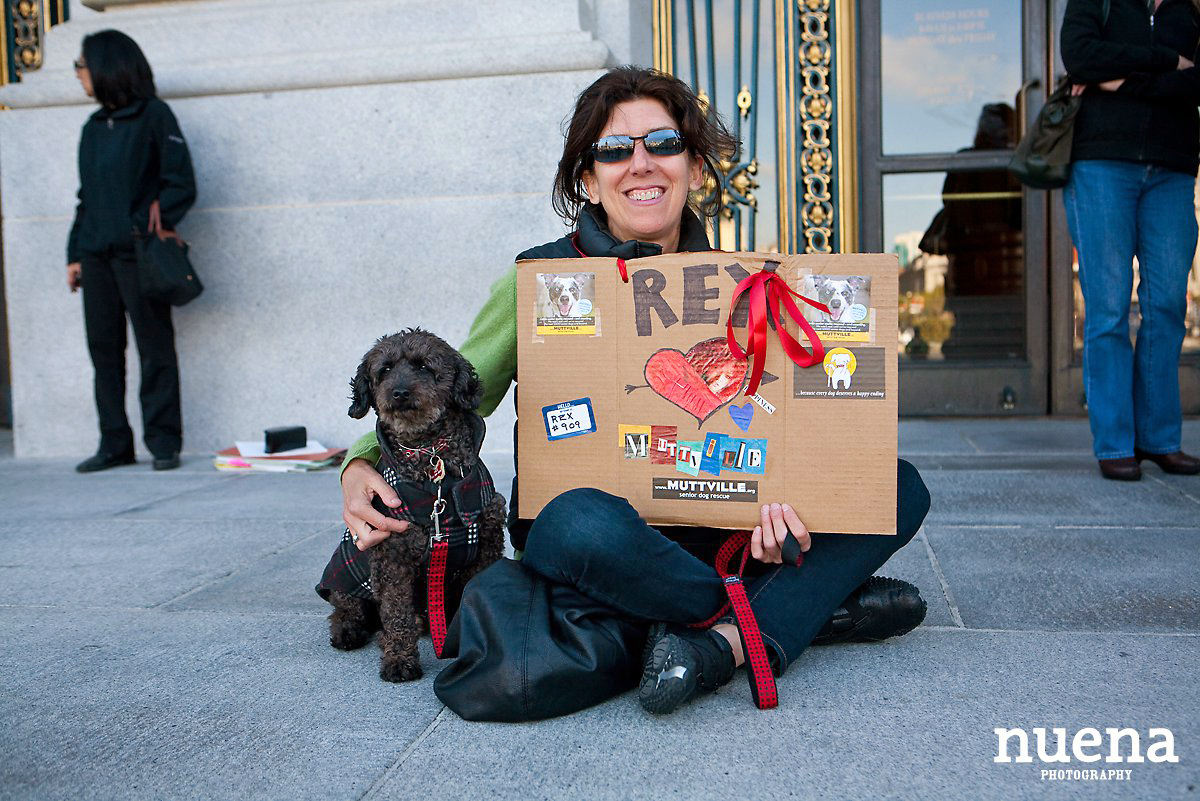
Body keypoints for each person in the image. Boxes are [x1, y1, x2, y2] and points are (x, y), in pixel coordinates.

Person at [340, 67, 931, 715]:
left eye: (664, 143)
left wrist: (790, 493)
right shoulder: (539, 277)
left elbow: (791, 421)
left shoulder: (754, 283)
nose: (641, 163)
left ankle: (720, 640)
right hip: (606, 538)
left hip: (720, 524)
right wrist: (359, 461)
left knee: (894, 485)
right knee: (573, 519)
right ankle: (804, 608)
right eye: (615, 150)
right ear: (587, 180)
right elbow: (454, 393)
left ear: (697, 168)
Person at [1061, 0, 1200, 480]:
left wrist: (1120, 79)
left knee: (1165, 305)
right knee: (1109, 309)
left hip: (1173, 169)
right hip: (1102, 164)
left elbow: (1197, 80)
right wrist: (1166, 61)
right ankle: (1115, 442)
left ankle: (1160, 439)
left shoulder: (1191, 9)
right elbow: (1079, 57)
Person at [68, 29, 196, 473]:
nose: (79, 75)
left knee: (154, 348)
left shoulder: (155, 117)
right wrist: (74, 254)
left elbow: (181, 183)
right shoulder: (91, 127)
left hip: (139, 256)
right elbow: (85, 198)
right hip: (96, 256)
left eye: (81, 65)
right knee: (103, 351)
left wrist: (145, 221)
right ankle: (114, 444)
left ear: (107, 66)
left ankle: (163, 443)